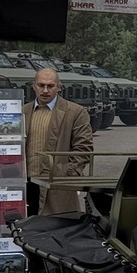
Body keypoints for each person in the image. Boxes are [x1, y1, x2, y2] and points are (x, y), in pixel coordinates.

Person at [23, 66, 93, 215]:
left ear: (59, 87)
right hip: (24, 184)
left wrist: (67, 174)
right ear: (34, 86)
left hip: (56, 185)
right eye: (41, 85)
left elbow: (83, 149)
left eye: (50, 86)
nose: (45, 90)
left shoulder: (75, 112)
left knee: (57, 226)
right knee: (22, 226)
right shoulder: (22, 111)